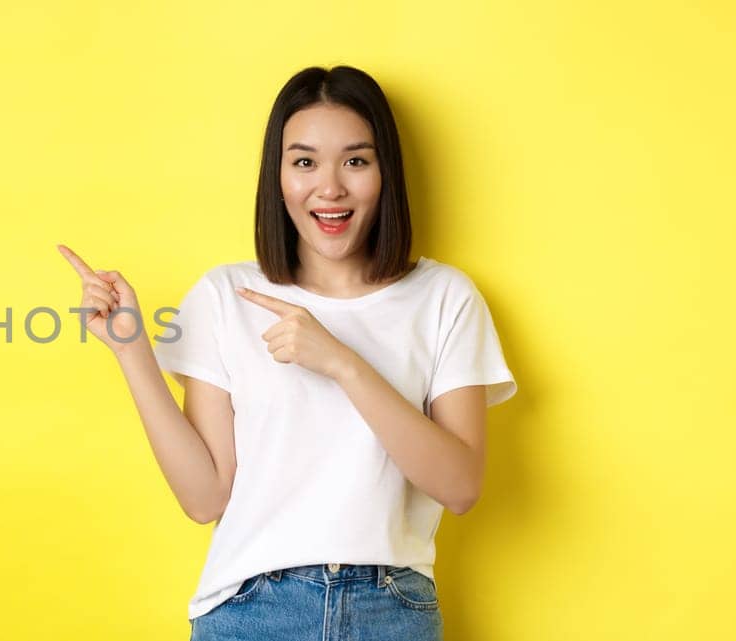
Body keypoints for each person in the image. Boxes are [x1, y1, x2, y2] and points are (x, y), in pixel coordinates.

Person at [56, 65, 516, 640]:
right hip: (252, 612)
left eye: (356, 160)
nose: (330, 188)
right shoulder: (226, 295)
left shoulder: (444, 297)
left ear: (385, 172)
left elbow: (460, 485)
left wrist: (342, 363)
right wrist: (131, 350)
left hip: (391, 612)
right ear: (278, 178)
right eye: (304, 162)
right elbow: (205, 499)